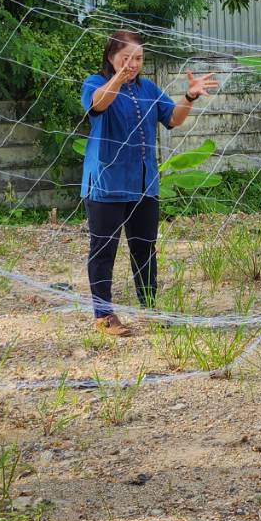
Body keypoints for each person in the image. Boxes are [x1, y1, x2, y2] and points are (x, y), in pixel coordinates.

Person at [81, 30, 217, 337]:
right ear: (111, 57)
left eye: (138, 58)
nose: (133, 64)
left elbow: (173, 119)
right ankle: (103, 315)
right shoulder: (94, 83)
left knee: (145, 248)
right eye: (126, 58)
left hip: (143, 184)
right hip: (107, 183)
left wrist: (190, 95)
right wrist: (118, 77)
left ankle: (149, 307)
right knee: (103, 249)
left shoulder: (148, 88)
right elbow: (98, 105)